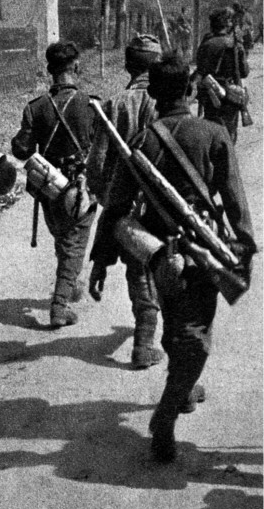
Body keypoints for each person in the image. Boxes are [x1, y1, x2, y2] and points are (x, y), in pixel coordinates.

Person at [93, 52, 256, 462]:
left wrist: (101, 259)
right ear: (190, 89)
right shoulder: (213, 133)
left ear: (154, 92)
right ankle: (165, 417)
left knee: (176, 321)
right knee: (195, 335)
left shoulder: (140, 141)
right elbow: (234, 198)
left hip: (156, 251)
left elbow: (116, 204)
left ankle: (182, 390)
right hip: (202, 250)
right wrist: (243, 247)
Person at [88, 35, 164, 369]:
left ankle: (145, 338)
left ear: (128, 66)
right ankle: (145, 343)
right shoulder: (166, 101)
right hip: (164, 201)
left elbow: (96, 165)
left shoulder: (114, 104)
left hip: (126, 200)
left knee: (138, 267)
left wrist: (109, 198)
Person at [11, 41, 97, 328]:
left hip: (48, 186)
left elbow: (22, 149)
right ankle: (59, 307)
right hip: (80, 185)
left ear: (50, 70)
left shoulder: (35, 108)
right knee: (75, 243)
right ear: (76, 67)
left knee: (63, 237)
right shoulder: (91, 104)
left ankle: (70, 285)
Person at [192, 7, 249, 143]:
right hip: (230, 95)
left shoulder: (206, 44)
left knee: (211, 131)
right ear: (228, 23)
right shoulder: (235, 45)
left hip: (209, 95)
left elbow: (200, 69)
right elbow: (244, 72)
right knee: (229, 134)